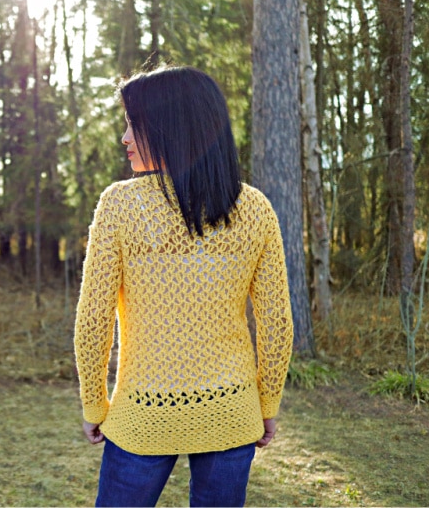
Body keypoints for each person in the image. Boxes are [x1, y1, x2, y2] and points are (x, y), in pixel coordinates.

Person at [73, 66, 294, 508]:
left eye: (133, 124)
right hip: (232, 409)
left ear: (167, 125)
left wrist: (95, 405)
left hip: (142, 413)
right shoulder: (255, 209)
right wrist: (266, 404)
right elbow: (277, 325)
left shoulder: (120, 205)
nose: (125, 137)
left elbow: (93, 319)